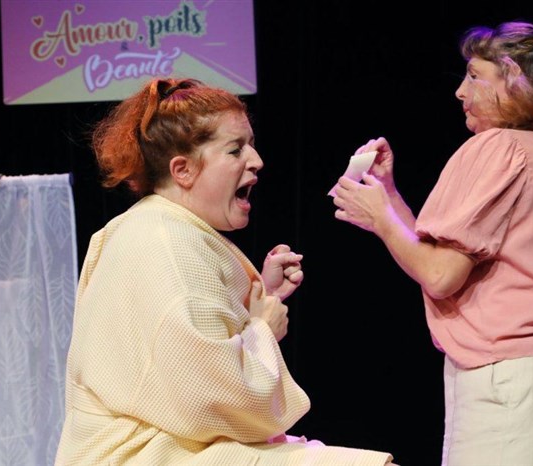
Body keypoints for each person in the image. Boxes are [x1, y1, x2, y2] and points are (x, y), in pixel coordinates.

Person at [332, 21, 533, 466]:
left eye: (474, 76)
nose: (460, 91)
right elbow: (445, 255)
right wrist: (389, 199)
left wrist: (381, 219)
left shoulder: (498, 146)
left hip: (511, 387)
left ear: (513, 80)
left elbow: (440, 274)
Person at [55, 77, 396, 466]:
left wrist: (260, 297)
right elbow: (218, 400)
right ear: (183, 170)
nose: (256, 160)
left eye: (250, 144)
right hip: (145, 454)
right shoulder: (166, 243)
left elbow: (183, 352)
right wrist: (262, 328)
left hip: (170, 445)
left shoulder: (157, 228)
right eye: (235, 150)